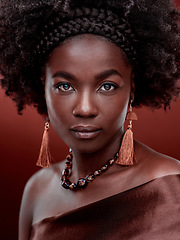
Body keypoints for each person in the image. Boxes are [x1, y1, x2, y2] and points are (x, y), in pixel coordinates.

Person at [0, 0, 180, 239]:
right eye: (65, 86)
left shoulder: (171, 188)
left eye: (107, 86)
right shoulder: (38, 190)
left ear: (132, 90)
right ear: (43, 88)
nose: (85, 109)